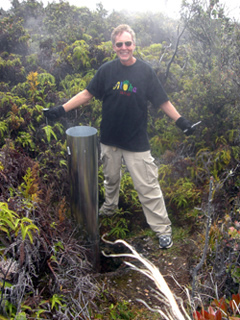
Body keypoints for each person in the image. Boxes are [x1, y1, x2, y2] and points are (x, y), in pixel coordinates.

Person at [45, 24, 195, 249]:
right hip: (110, 140)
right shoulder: (106, 70)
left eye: (128, 43)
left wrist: (181, 121)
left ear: (134, 45)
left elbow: (162, 100)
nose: (124, 48)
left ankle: (162, 229)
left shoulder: (145, 72)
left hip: (136, 142)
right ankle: (110, 207)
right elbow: (87, 93)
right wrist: (61, 109)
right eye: (119, 44)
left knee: (148, 187)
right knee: (111, 179)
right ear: (113, 46)